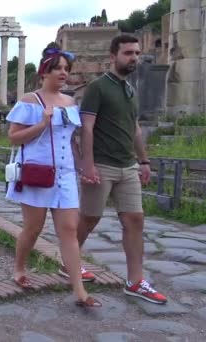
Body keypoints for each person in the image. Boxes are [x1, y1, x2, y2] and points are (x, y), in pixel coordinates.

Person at [5, 42, 100, 307]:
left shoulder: (70, 103)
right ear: (44, 72)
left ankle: (79, 290)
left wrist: (84, 168)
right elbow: (14, 138)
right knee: (33, 229)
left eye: (66, 69)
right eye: (57, 68)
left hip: (65, 175)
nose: (63, 73)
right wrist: (42, 123)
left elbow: (72, 142)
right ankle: (20, 268)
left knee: (69, 230)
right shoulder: (29, 101)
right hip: (37, 173)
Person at [77, 35, 167, 304]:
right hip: (102, 165)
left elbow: (135, 129)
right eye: (128, 53)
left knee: (135, 220)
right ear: (113, 56)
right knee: (89, 219)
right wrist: (88, 164)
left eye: (137, 53)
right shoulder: (97, 88)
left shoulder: (130, 90)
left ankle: (136, 281)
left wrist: (144, 161)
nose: (134, 58)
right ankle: (69, 259)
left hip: (127, 166)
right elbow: (87, 128)